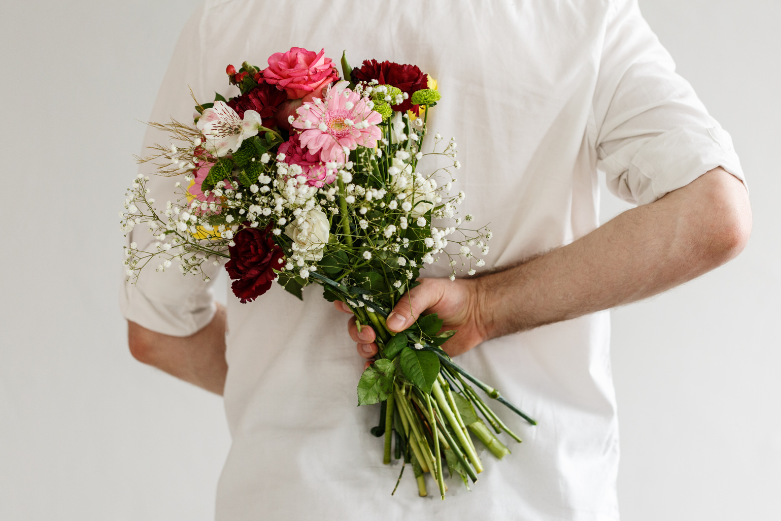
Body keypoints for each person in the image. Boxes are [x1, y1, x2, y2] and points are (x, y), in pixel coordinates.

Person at [121, 0, 751, 519]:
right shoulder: (578, 14)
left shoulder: (232, 20)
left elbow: (157, 333)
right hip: (535, 499)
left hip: (300, 497)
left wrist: (284, 392)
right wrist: (485, 309)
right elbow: (715, 212)